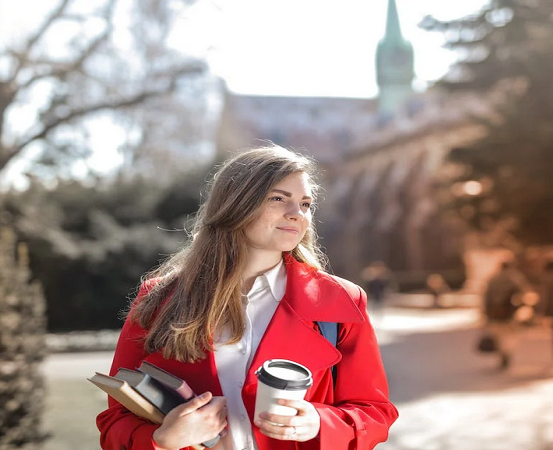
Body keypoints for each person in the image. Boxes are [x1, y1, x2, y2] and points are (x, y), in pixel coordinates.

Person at [96, 145, 398, 450]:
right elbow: (114, 421)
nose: (297, 214)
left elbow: (375, 412)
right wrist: (162, 441)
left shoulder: (339, 301)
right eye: (278, 198)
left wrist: (319, 423)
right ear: (236, 205)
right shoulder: (160, 299)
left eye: (305, 203)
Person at [482, 260, 526, 370]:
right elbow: (522, 293)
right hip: (508, 312)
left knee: (498, 335)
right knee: (508, 335)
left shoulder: (493, 279)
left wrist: (486, 312)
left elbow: (486, 297)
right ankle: (506, 354)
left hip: (493, 312)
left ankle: (502, 355)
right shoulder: (514, 278)